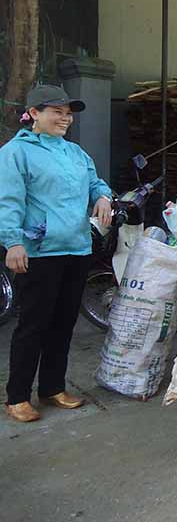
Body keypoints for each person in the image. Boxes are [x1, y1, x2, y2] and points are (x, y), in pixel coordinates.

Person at [1, 85, 113, 422]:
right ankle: (17, 395)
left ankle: (52, 387)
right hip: (38, 251)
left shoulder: (74, 153)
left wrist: (104, 197)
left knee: (63, 323)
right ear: (34, 113)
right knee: (34, 324)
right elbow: (8, 200)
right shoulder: (16, 152)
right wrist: (12, 242)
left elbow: (95, 183)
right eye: (57, 111)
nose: (65, 118)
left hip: (76, 247)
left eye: (68, 113)